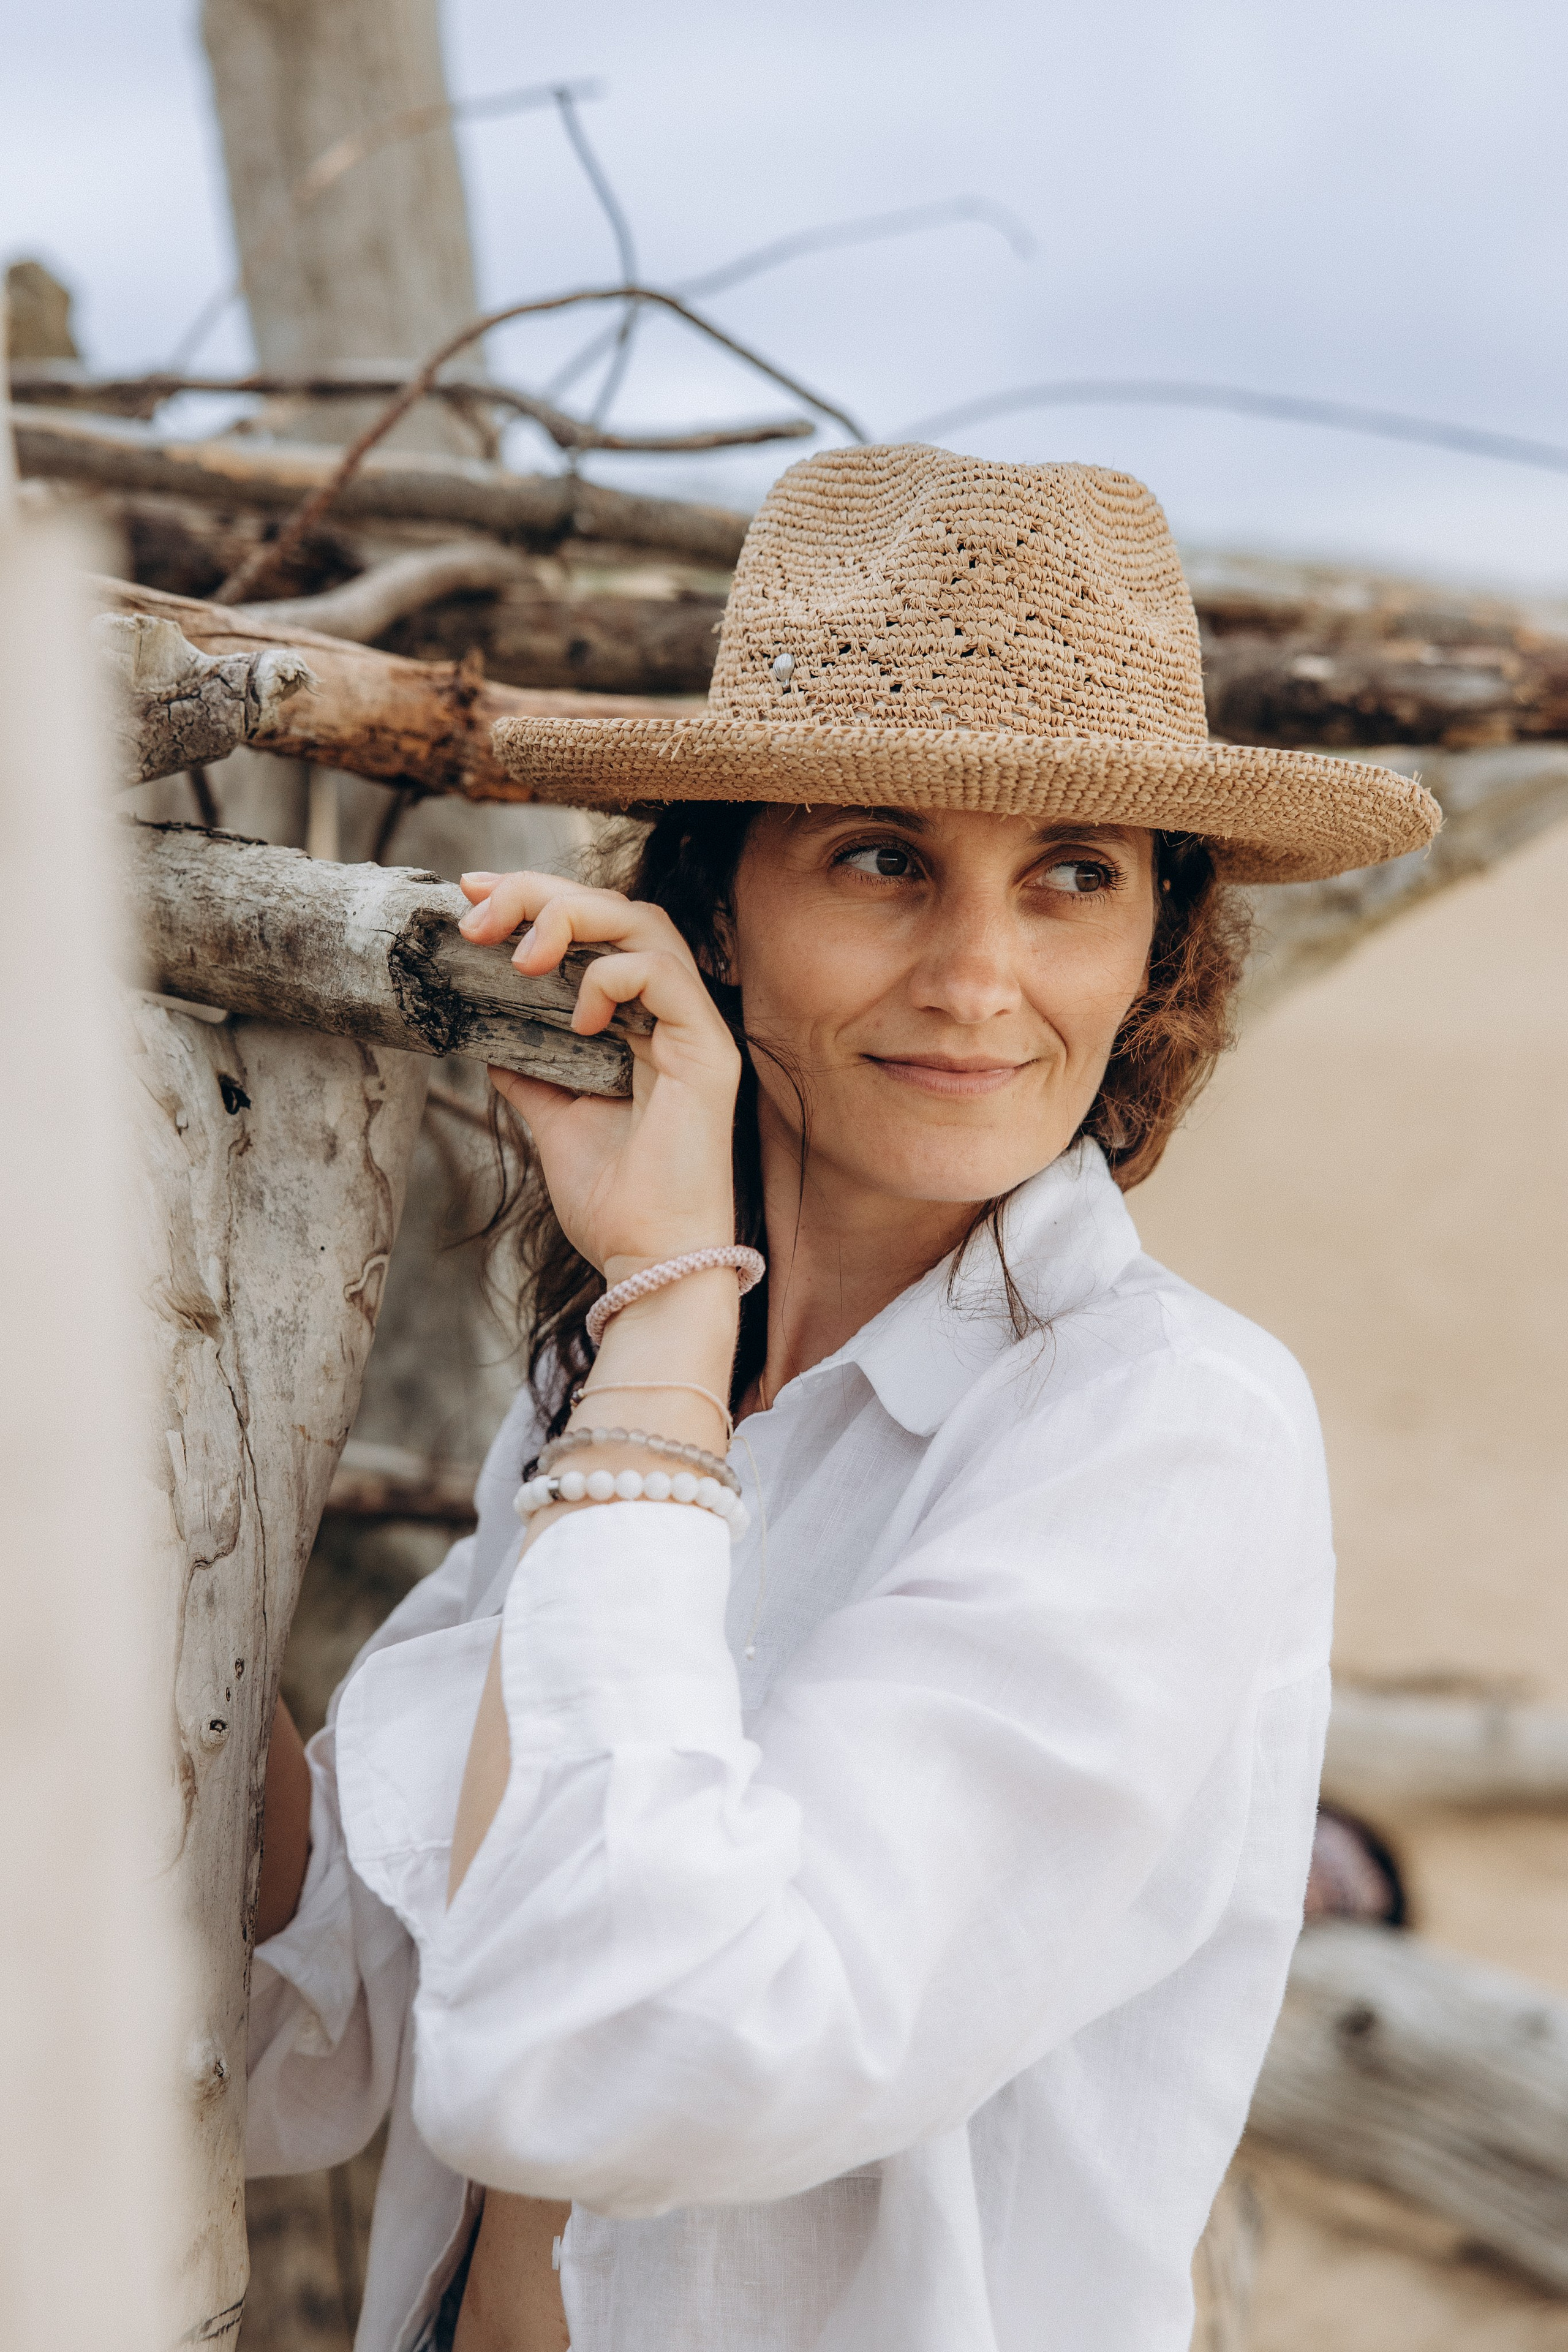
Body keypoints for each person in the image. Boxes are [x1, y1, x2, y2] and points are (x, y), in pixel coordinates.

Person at [247, 447, 1439, 2352]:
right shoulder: (649, 1395)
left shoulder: (1162, 1434)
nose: (981, 978)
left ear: (1157, 950)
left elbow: (620, 2060)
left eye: (1072, 877)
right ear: (720, 906)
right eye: (883, 858)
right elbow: (331, 2030)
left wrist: (654, 1320)